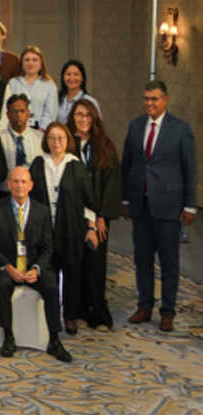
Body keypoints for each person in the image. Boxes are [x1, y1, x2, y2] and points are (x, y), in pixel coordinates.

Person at [121, 80, 195, 332]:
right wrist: (125, 199)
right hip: (140, 205)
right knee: (142, 259)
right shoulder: (135, 126)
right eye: (146, 99)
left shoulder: (181, 129)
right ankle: (144, 306)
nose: (149, 103)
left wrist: (190, 205)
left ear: (165, 100)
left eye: (154, 99)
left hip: (168, 206)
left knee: (169, 262)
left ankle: (167, 311)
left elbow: (189, 169)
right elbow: (127, 165)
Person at [0, 166, 73, 361]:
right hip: (7, 266)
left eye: (23, 182)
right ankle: (8, 337)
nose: (19, 186)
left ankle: (54, 340)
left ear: (31, 186)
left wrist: (36, 268)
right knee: (1, 283)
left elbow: (48, 247)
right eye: (15, 181)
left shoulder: (42, 211)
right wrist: (8, 267)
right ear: (8, 185)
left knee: (51, 285)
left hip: (32, 266)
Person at [30, 122, 99, 336]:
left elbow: (89, 200)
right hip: (43, 230)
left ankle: (70, 317)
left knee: (72, 275)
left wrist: (91, 226)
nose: (56, 142)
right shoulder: (38, 163)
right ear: (46, 140)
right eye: (52, 138)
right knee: (46, 274)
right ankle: (46, 317)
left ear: (67, 140)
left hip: (70, 230)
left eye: (60, 138)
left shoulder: (75, 165)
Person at [68, 99, 120, 329]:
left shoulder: (104, 145)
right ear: (72, 117)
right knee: (76, 263)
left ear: (95, 118)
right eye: (79, 114)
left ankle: (98, 313)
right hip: (73, 213)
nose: (83, 119)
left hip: (98, 215)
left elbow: (111, 183)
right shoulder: (67, 143)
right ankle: (78, 310)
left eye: (88, 115)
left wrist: (101, 215)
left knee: (95, 265)